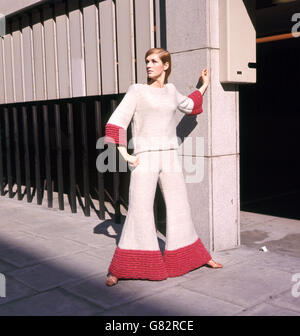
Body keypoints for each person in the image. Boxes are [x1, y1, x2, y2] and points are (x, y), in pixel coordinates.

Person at [104, 48, 223, 286]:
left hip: (170, 157)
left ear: (165, 65)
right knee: (139, 209)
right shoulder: (137, 90)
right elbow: (116, 121)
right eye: (147, 61)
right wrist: (125, 154)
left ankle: (195, 257)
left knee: (180, 207)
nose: (148, 65)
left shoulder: (171, 91)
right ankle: (122, 267)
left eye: (154, 61)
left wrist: (204, 85)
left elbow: (189, 105)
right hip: (144, 157)